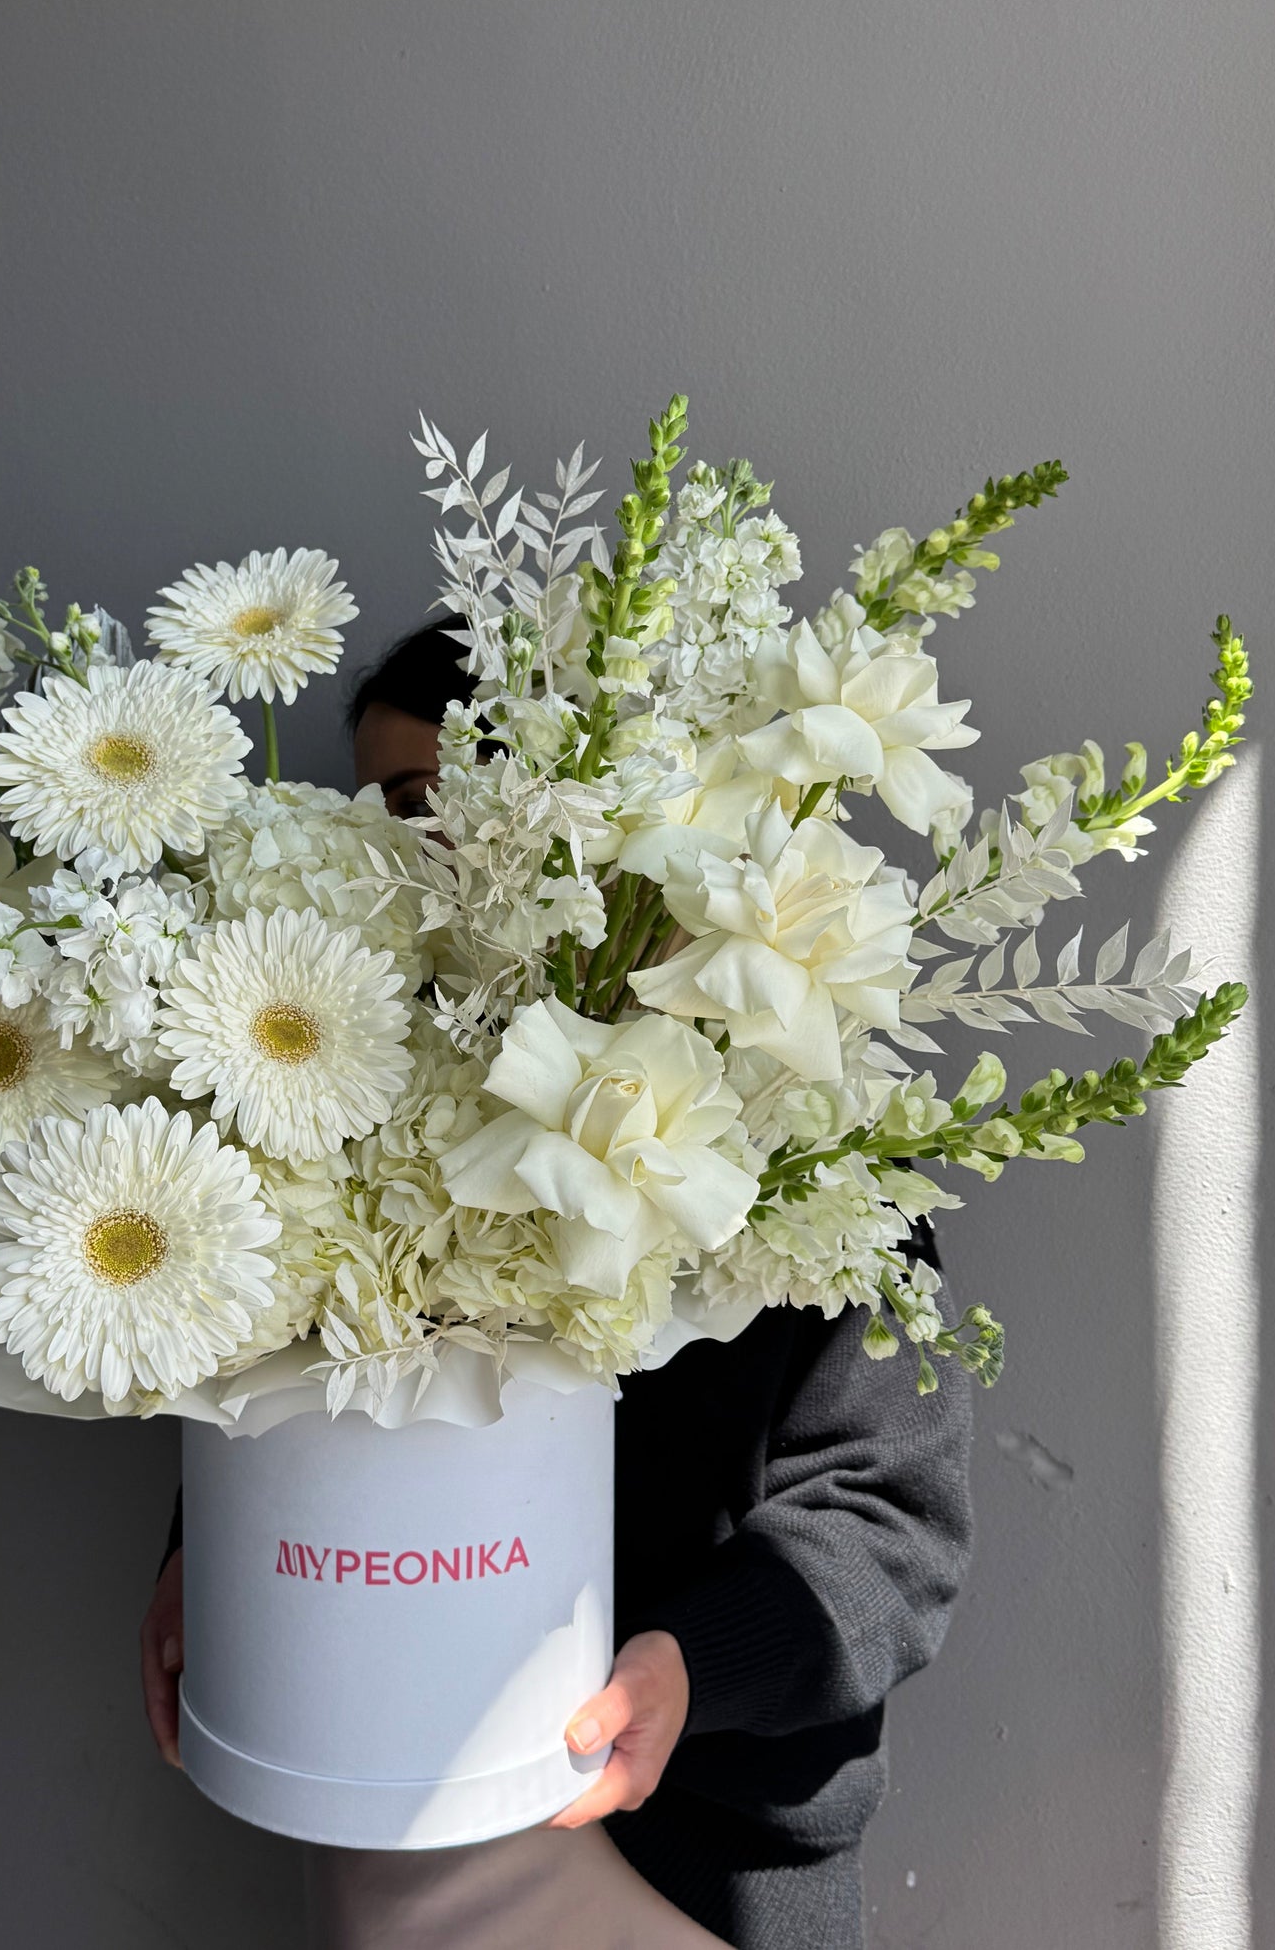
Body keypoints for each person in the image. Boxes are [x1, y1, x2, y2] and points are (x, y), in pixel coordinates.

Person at [140, 621, 976, 1949]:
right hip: (388, 1808)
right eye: (385, 811)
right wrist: (214, 1553)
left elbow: (892, 1520)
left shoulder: (795, 1131)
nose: (424, 848)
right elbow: (307, 1379)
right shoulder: (336, 1106)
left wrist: (691, 1668)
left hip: (686, 1851)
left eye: (445, 796)